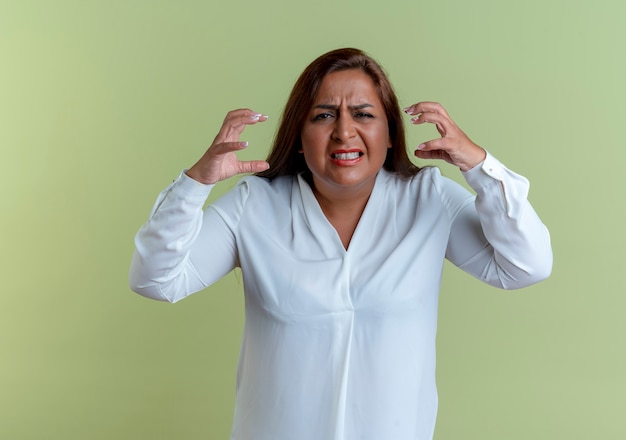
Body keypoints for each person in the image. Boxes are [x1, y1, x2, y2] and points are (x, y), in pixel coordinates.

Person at [129, 48, 552, 440]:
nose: (344, 131)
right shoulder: (254, 206)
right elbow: (156, 280)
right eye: (324, 116)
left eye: (364, 114)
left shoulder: (428, 199)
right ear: (298, 135)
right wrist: (194, 185)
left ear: (389, 135)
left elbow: (525, 265)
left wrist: (478, 165)